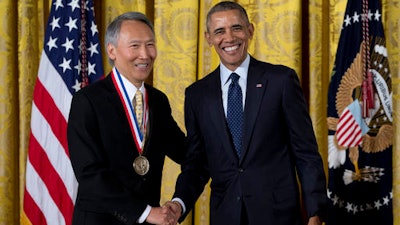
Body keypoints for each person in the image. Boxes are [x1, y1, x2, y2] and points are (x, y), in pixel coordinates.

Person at [167, 1, 328, 225]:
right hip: (226, 216)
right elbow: (197, 164)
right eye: (220, 31)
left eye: (237, 28)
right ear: (208, 38)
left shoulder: (281, 81)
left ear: (250, 30)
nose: (229, 38)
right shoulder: (197, 95)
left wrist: (315, 212)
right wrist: (178, 203)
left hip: (277, 215)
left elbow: (306, 154)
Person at [67, 12, 185, 225]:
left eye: (150, 44)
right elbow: (89, 173)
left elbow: (187, 153)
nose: (145, 54)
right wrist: (145, 212)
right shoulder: (87, 101)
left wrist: (178, 203)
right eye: (135, 46)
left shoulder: (158, 101)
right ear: (112, 50)